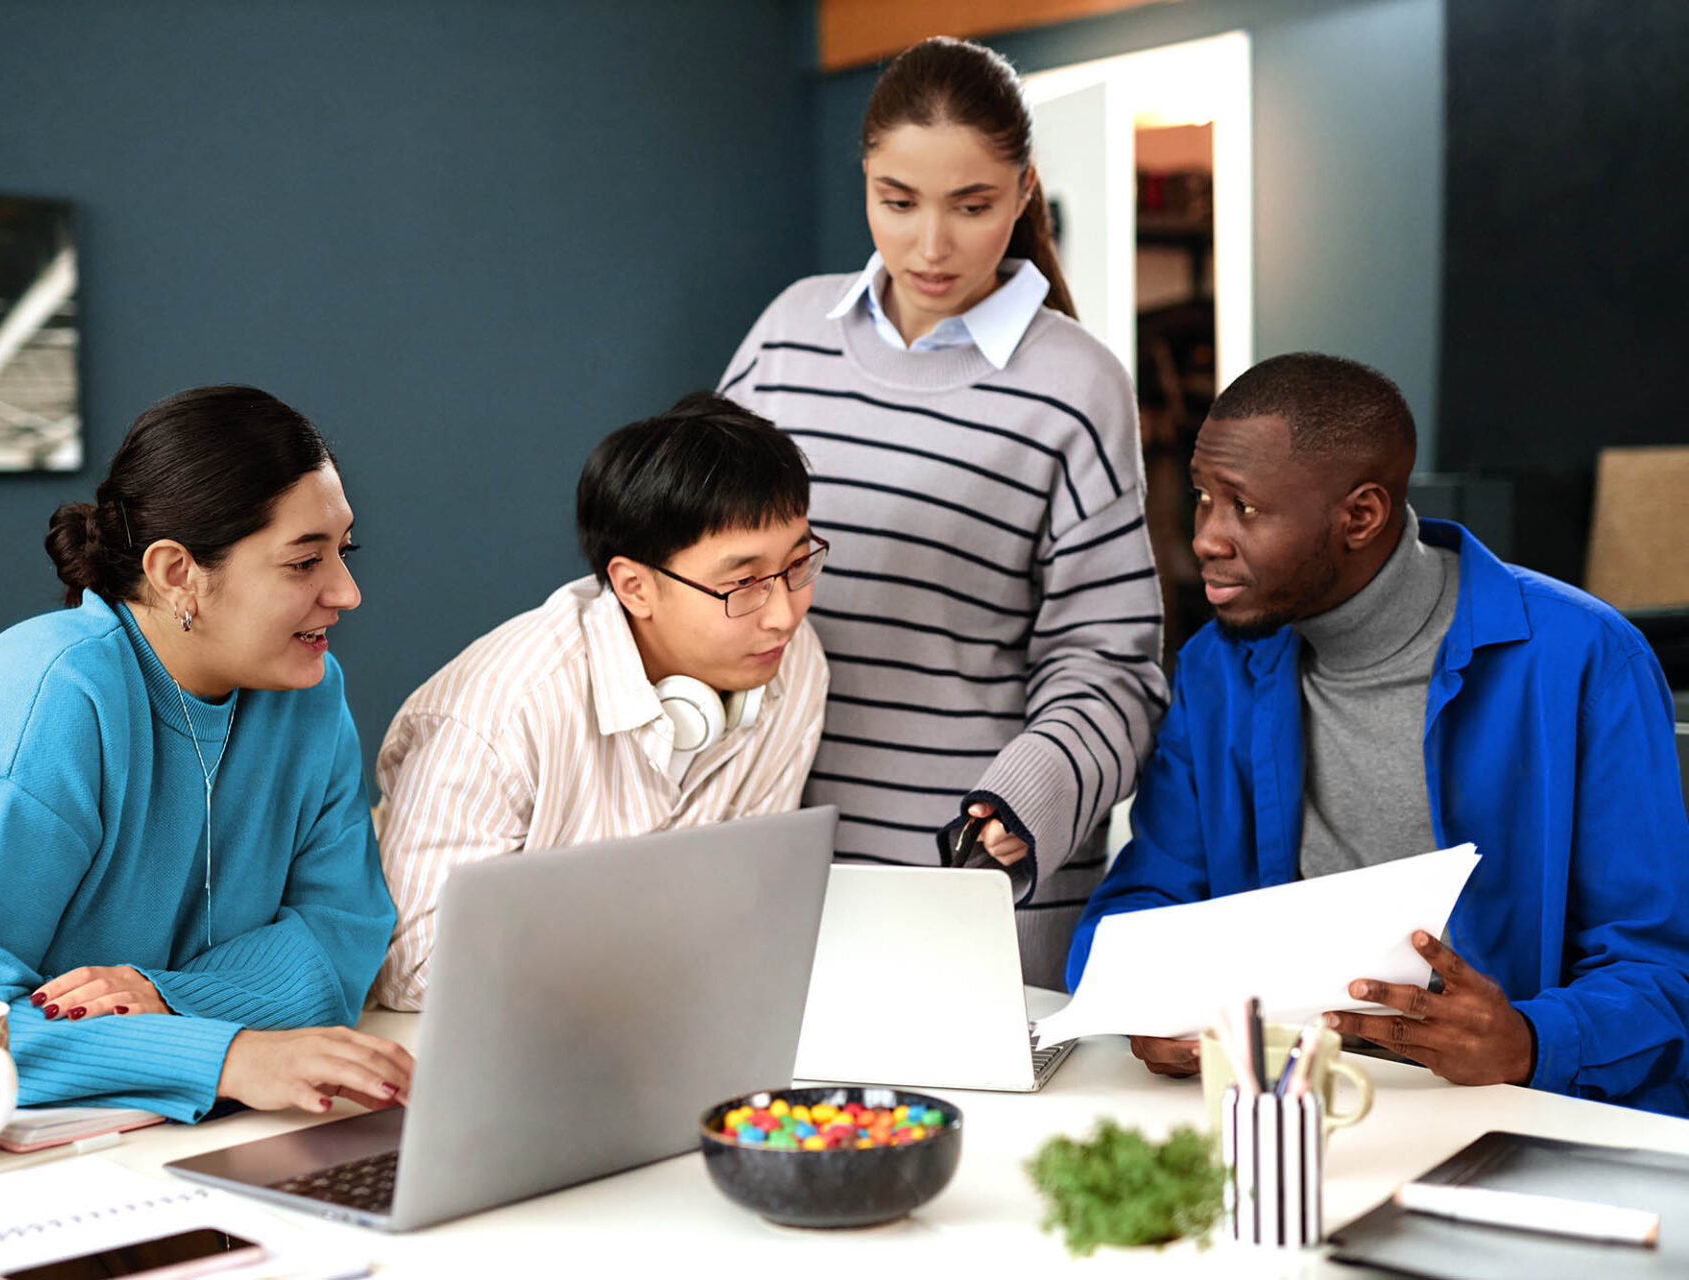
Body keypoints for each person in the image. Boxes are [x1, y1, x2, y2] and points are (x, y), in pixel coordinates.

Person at [1068, 352, 1689, 1115]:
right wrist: (1148, 998)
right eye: (1203, 498)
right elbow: (1149, 895)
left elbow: (1659, 967)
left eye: (1245, 508)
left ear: (1360, 516)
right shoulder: (1215, 669)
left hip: (1515, 1113)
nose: (1206, 537)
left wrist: (1529, 1039)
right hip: (1284, 1109)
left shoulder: (1586, 658)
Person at [0, 386, 411, 1120]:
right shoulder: (50, 698)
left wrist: (171, 1002)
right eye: (304, 562)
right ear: (177, 573)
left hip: (117, 1065)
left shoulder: (309, 690)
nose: (348, 591)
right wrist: (226, 1053)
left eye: (344, 549)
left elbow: (346, 934)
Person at [719, 36, 1164, 985]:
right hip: (776, 871)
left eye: (973, 206)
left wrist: (1024, 802)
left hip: (974, 883)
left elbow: (1112, 665)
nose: (931, 245)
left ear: (1024, 190)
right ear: (866, 181)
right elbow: (683, 566)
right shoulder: (787, 337)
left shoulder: (1076, 384)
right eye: (897, 201)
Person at [370, 392, 828, 1010]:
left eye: (799, 565)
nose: (784, 615)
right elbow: (415, 966)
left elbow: (756, 908)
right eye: (742, 583)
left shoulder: (792, 664)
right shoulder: (497, 716)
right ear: (634, 586)